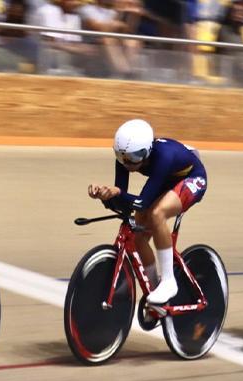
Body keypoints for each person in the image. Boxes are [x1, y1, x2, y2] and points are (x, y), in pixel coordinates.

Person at [87, 119, 207, 306]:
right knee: (139, 236)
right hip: (167, 179)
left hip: (192, 178)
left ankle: (168, 282)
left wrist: (118, 194)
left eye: (132, 158)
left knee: (156, 214)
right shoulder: (126, 157)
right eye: (120, 156)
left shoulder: (163, 156)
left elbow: (141, 202)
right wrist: (105, 196)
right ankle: (153, 288)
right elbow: (124, 203)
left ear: (146, 151)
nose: (126, 163)